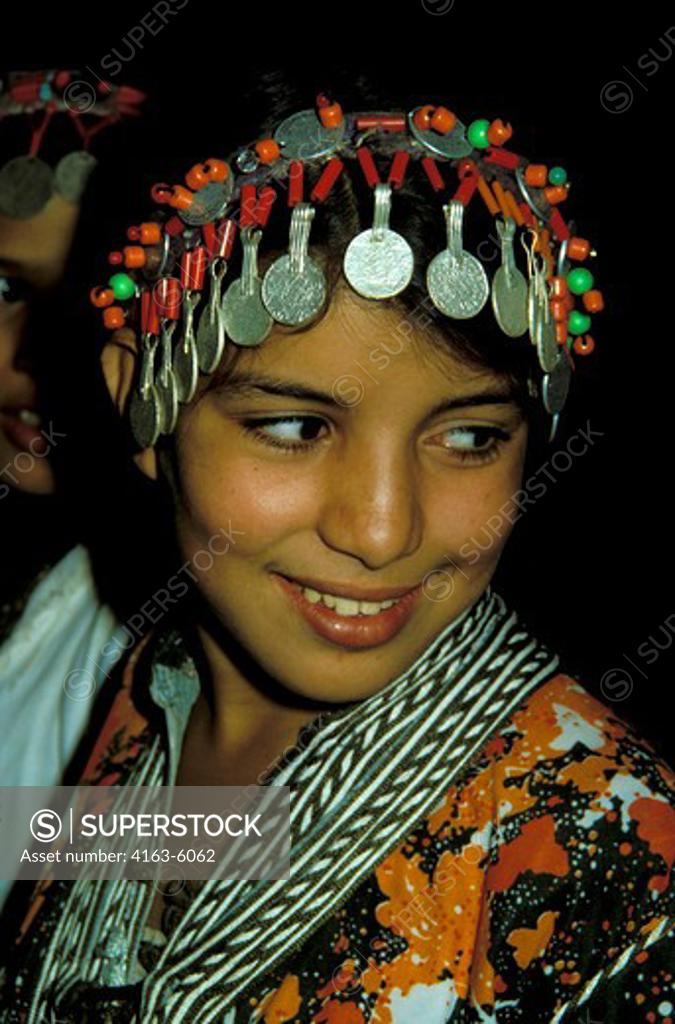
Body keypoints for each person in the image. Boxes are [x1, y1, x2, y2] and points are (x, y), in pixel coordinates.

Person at [1, 69, 673, 1023]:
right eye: (293, 427)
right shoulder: (157, 691)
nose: (381, 530)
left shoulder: (611, 851)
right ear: (139, 404)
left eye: (471, 437)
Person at [0, 69, 146, 912]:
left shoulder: (218, 605)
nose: (32, 358)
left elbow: (258, 832)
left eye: (87, 311)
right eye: (6, 290)